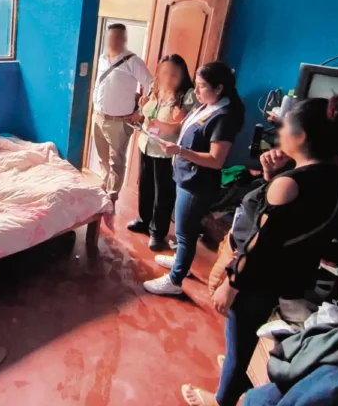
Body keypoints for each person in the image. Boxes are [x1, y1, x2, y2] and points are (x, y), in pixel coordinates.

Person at [180, 95, 338, 406]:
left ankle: (223, 399)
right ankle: (238, 369)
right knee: (248, 335)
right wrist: (272, 178)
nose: (279, 133)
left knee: (239, 339)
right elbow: (297, 221)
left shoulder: (290, 184)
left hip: (257, 278)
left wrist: (231, 284)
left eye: (285, 127)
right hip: (293, 273)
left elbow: (261, 246)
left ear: (301, 136)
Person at [143, 61, 244, 296]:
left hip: (197, 183)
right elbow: (185, 129)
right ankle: (181, 261)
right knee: (183, 230)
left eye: (201, 86)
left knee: (185, 233)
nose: (196, 91)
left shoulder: (224, 117)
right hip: (186, 175)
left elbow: (216, 160)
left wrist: (180, 151)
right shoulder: (207, 106)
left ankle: (175, 281)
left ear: (219, 88)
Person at [128, 54, 195, 251]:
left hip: (167, 151)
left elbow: (188, 127)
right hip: (146, 144)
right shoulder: (155, 88)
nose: (168, 77)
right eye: (164, 73)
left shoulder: (188, 95)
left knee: (163, 193)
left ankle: (157, 232)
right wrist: (141, 110)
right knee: (146, 185)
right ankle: (144, 220)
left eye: (174, 74)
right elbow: (146, 114)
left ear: (183, 75)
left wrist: (169, 125)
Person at [92, 23, 152, 204]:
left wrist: (141, 112)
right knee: (103, 157)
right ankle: (104, 184)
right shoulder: (102, 58)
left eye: (118, 37)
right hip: (99, 117)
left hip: (119, 121)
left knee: (116, 161)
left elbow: (151, 85)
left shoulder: (133, 61)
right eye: (111, 37)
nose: (113, 41)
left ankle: (112, 194)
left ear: (124, 39)